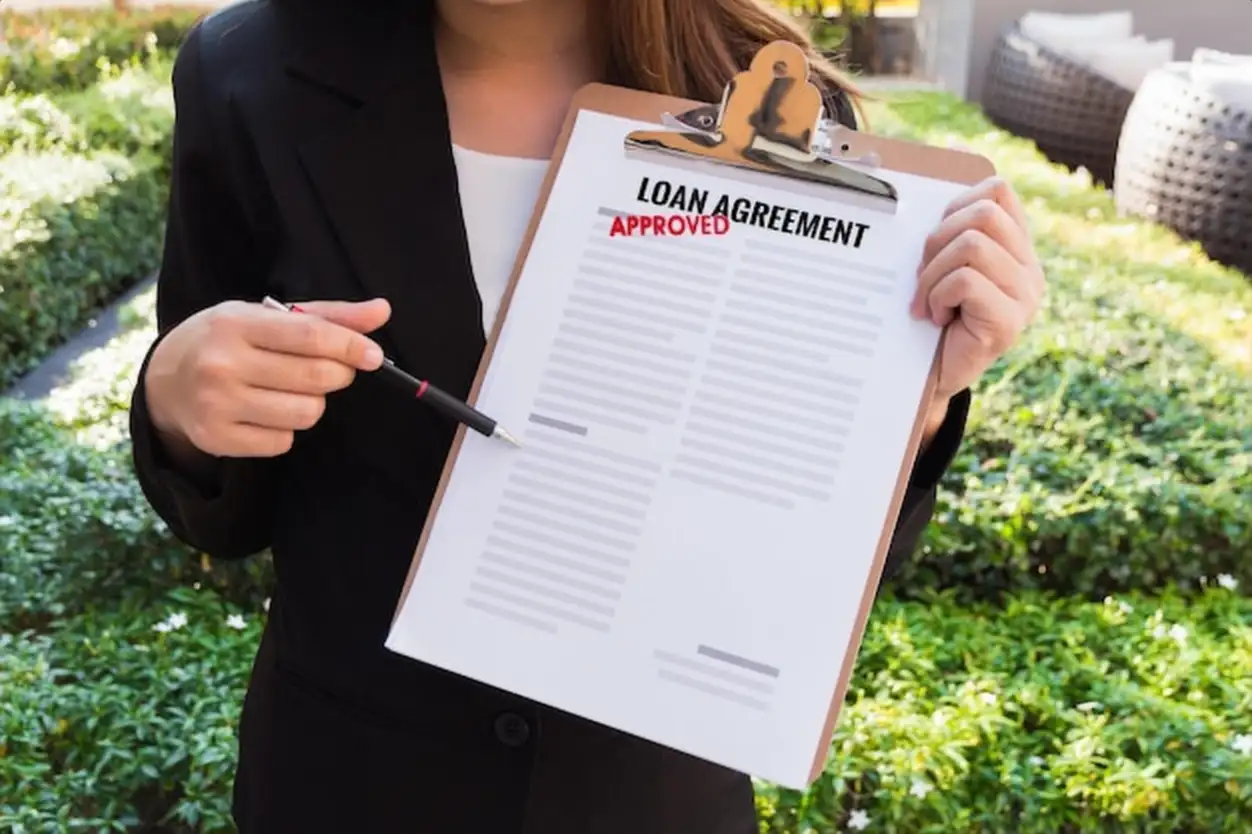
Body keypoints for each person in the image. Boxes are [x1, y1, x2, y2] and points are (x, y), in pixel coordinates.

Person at [129, 0, 1046, 831]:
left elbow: (797, 557)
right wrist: (176, 400)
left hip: (651, 797)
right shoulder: (246, 72)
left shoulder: (773, 98)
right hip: (352, 784)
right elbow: (222, 508)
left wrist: (918, 401)